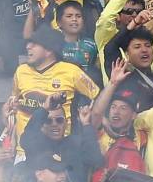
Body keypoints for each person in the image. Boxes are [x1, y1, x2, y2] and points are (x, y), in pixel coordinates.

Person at [11, 25, 99, 154]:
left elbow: (97, 97)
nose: (28, 47)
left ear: (49, 50)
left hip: (59, 152)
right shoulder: (21, 71)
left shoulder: (72, 71)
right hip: (24, 151)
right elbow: (12, 106)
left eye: (34, 44)